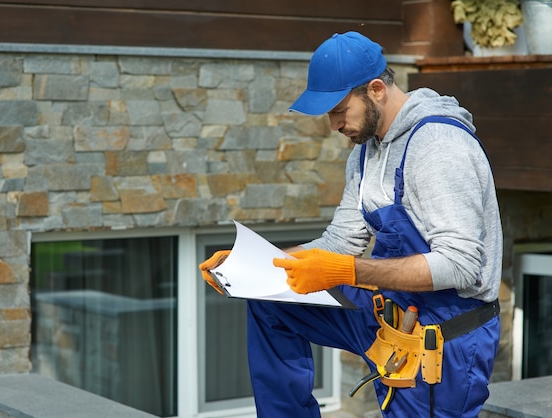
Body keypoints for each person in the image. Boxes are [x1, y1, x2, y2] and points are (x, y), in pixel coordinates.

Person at [200, 31, 502, 418]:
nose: (333, 124)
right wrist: (254, 264)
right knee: (269, 302)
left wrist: (347, 270)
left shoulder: (438, 146)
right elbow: (340, 241)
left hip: (447, 335)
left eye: (339, 109)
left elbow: (461, 265)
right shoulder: (365, 154)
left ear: (376, 89)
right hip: (390, 311)